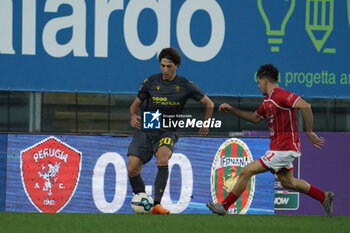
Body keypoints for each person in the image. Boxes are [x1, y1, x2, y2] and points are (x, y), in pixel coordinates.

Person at [206, 64, 335, 217]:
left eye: (259, 82)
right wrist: (232, 109)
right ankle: (323, 197)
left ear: (265, 81)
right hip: (278, 148)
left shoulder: (280, 95)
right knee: (289, 182)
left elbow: (305, 106)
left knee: (246, 171)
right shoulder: (268, 101)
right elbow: (254, 118)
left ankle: (224, 206)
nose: (258, 86)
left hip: (284, 148)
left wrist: (309, 131)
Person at [128, 47, 214, 214]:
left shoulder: (185, 85)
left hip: (168, 130)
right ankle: (143, 201)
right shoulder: (151, 82)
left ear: (177, 66)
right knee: (132, 168)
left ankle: (157, 205)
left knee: (163, 158)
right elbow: (134, 106)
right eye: (162, 66)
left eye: (169, 66)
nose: (165, 70)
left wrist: (206, 123)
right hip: (147, 127)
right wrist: (133, 115)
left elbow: (209, 104)